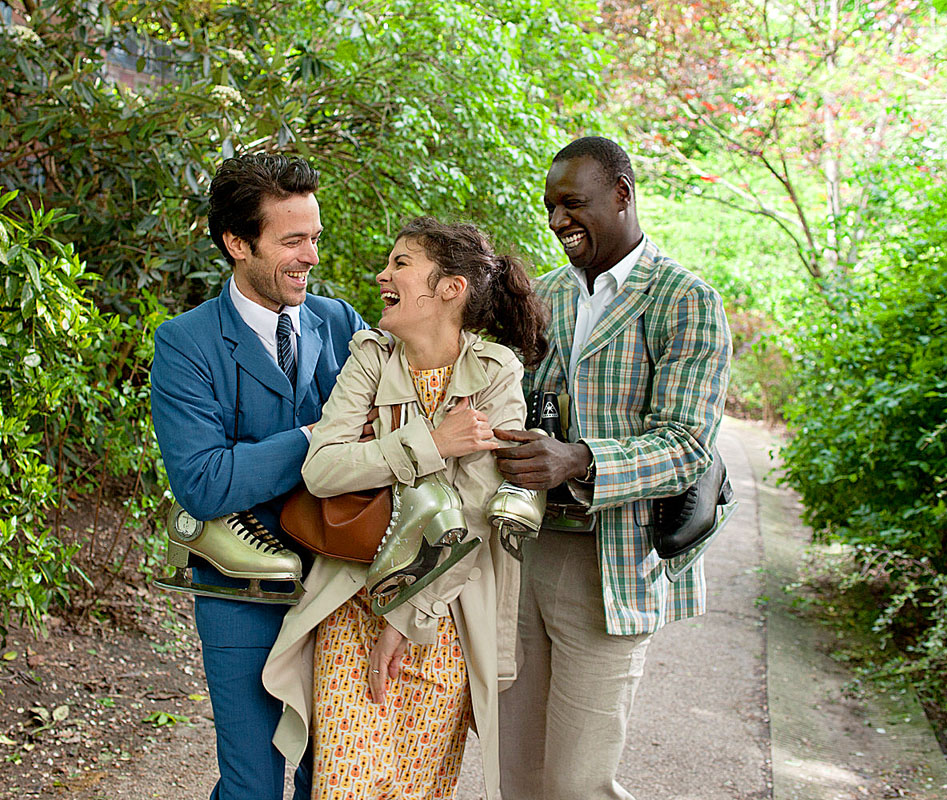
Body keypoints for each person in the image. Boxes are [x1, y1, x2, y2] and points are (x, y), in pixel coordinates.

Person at [262, 217, 549, 800]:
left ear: (450, 288)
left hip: (443, 613)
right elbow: (321, 471)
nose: (382, 275)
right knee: (343, 786)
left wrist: (404, 618)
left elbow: (473, 516)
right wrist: (434, 444)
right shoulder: (371, 356)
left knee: (415, 790)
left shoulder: (497, 374)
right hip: (351, 598)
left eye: (400, 264)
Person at [493, 136, 732, 800]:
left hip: (614, 566)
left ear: (622, 194)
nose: (557, 221)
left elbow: (688, 444)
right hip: (526, 555)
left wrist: (580, 458)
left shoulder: (685, 301)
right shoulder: (542, 296)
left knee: (576, 783)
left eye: (573, 204)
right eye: (549, 208)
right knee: (518, 775)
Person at [150, 153, 366, 800]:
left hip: (339, 580)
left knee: (325, 777)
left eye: (316, 238)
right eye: (292, 240)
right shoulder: (185, 344)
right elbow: (205, 483)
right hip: (240, 593)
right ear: (237, 243)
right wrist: (319, 439)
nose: (311, 257)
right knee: (254, 786)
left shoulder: (341, 322)